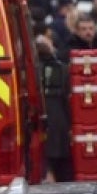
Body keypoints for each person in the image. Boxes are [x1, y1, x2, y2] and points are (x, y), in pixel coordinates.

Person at [36, 35, 73, 182]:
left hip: (39, 125)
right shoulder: (63, 70)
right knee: (63, 169)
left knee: (46, 165)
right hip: (61, 125)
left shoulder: (29, 72)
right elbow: (69, 99)